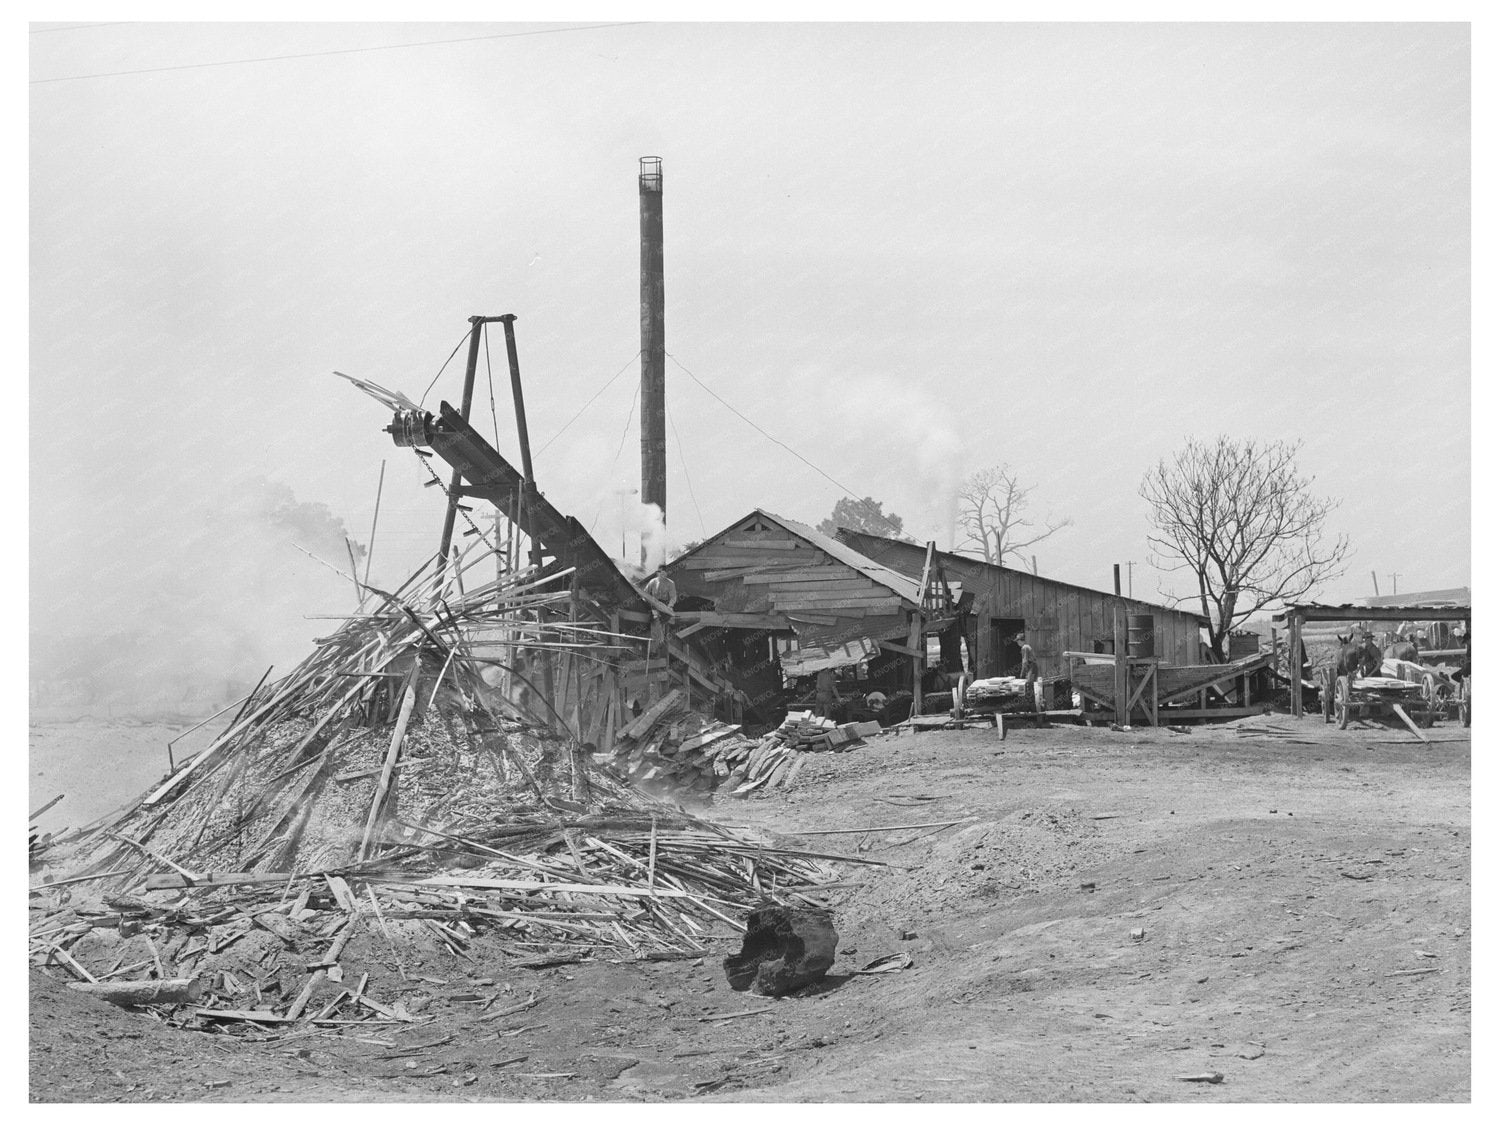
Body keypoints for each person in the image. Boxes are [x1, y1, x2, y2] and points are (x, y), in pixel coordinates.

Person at [1016, 632, 1039, 711]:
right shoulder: (1026, 647)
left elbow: (1025, 661)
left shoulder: (1024, 647)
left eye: (1018, 641)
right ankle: (1031, 706)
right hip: (1031, 667)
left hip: (1031, 666)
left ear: (1021, 640)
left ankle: (1032, 707)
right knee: (1030, 686)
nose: (1017, 643)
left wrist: (1022, 673)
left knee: (1029, 686)